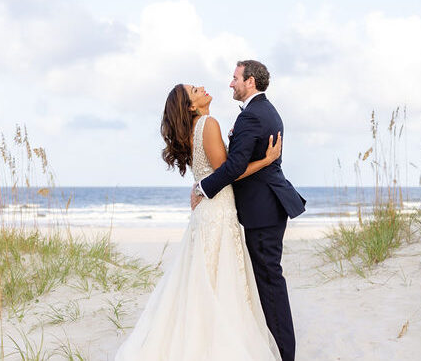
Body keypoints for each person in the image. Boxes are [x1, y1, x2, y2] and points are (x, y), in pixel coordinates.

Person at [115, 82, 283, 360]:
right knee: (222, 277)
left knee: (206, 276)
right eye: (195, 90)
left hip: (205, 212)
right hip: (217, 210)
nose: (202, 88)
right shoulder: (208, 123)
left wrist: (201, 185)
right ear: (191, 107)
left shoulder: (193, 130)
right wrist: (266, 160)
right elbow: (229, 171)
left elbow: (211, 172)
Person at [193, 60, 306, 361]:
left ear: (250, 81)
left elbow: (234, 166)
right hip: (265, 207)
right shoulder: (259, 112)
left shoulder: (253, 116)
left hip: (264, 209)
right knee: (267, 282)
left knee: (269, 283)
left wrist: (202, 189)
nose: (230, 83)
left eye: (234, 78)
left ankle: (284, 355)